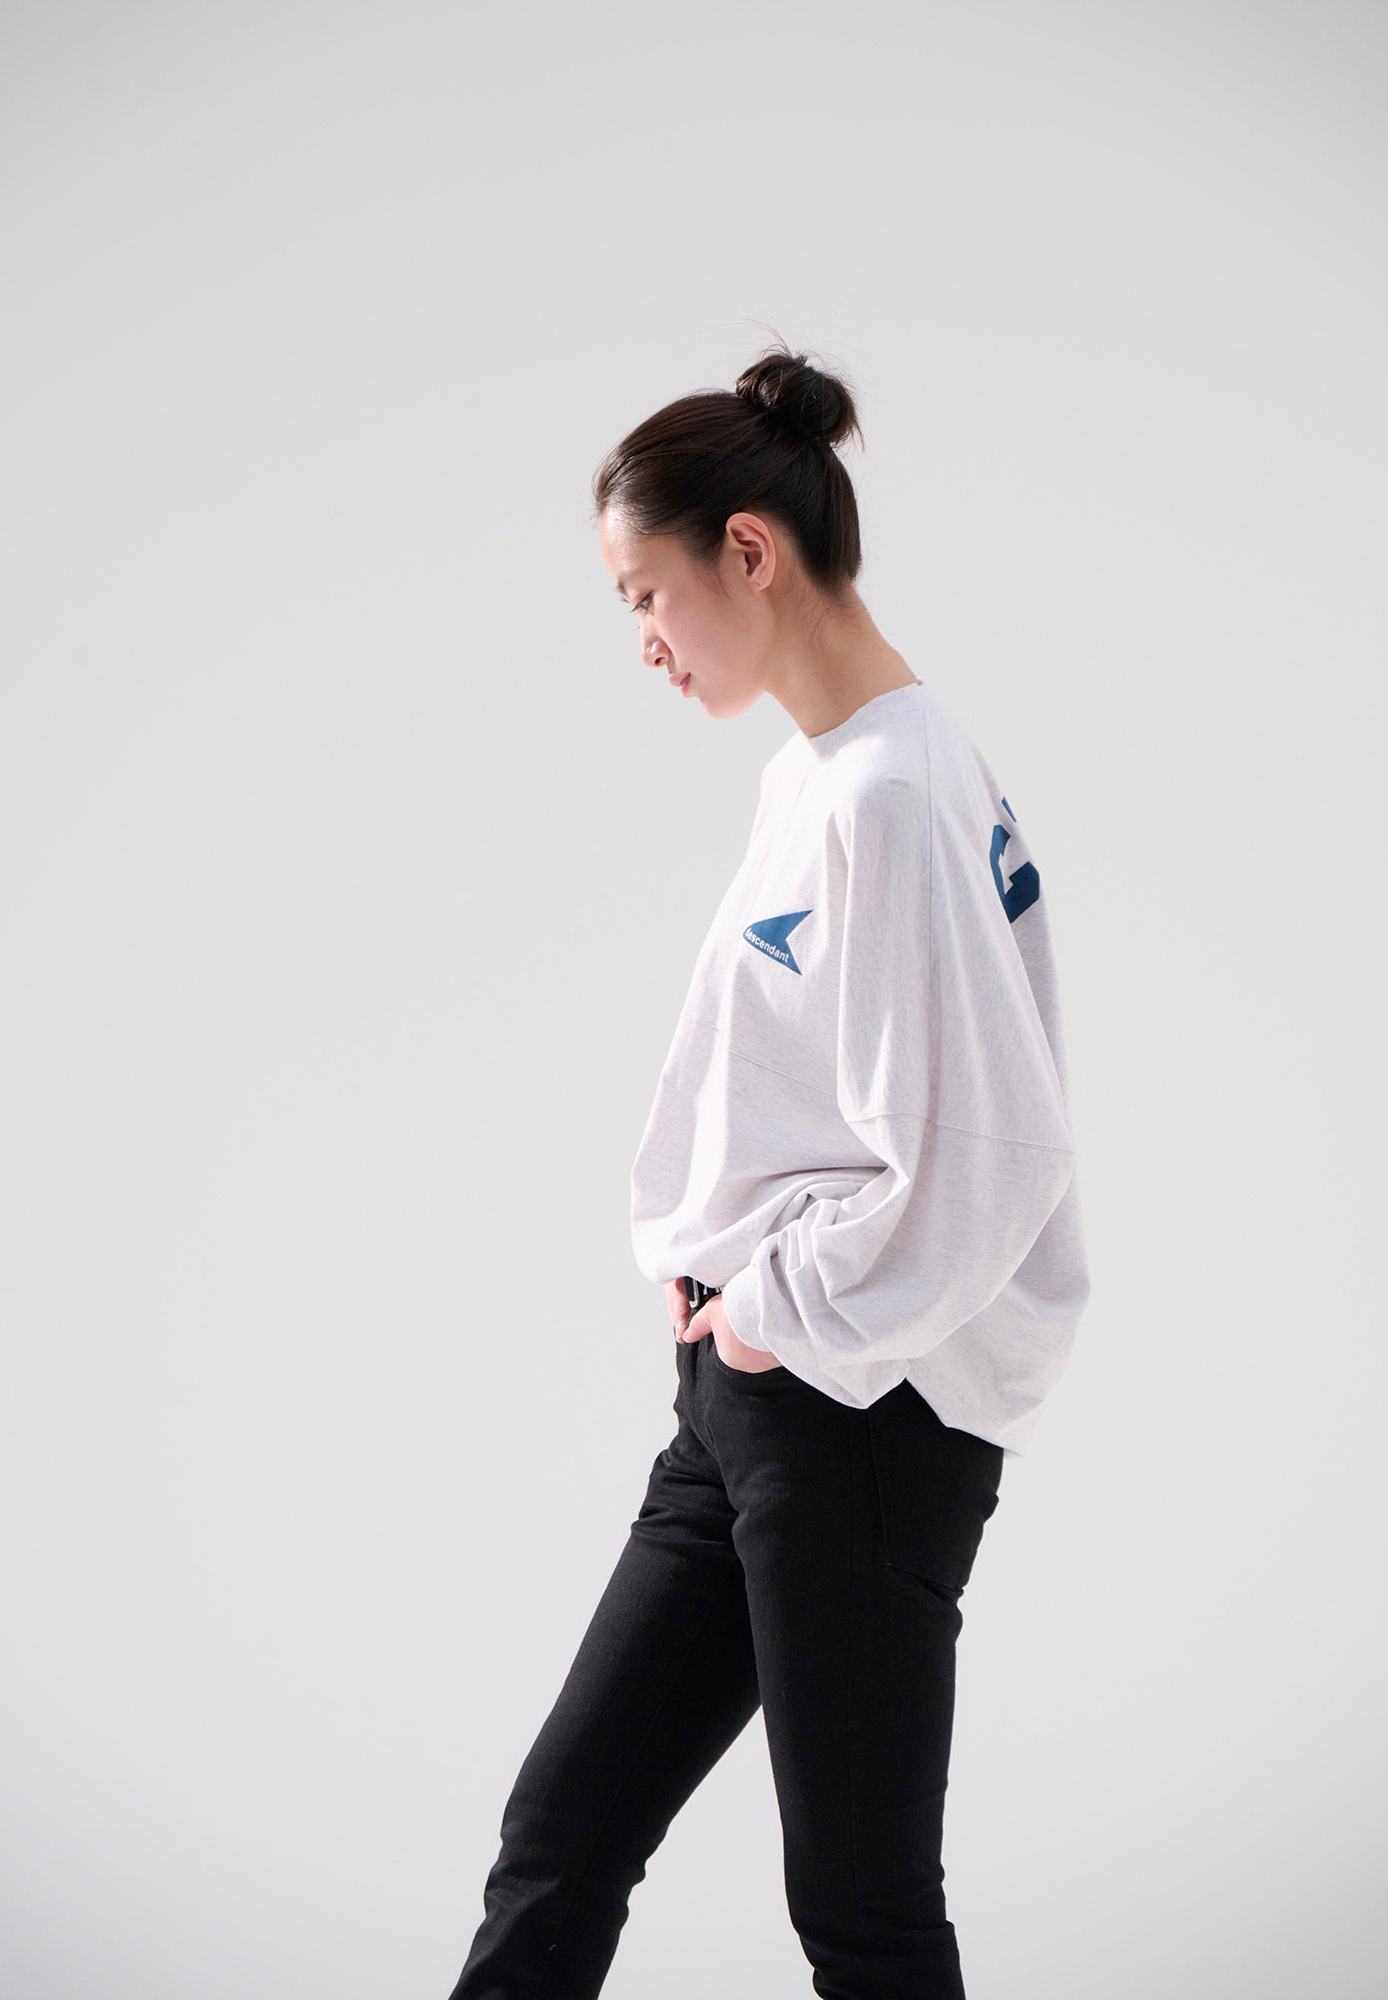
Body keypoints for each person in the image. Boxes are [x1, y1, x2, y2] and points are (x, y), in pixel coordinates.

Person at [447, 343, 1091, 2000]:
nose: (643, 641)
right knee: (561, 1835)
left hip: (855, 1410)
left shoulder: (893, 792)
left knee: (862, 1915)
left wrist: (772, 1308)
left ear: (746, 549)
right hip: (755, 1402)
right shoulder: (821, 774)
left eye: (643, 593)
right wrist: (727, 1308)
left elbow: (988, 1152)